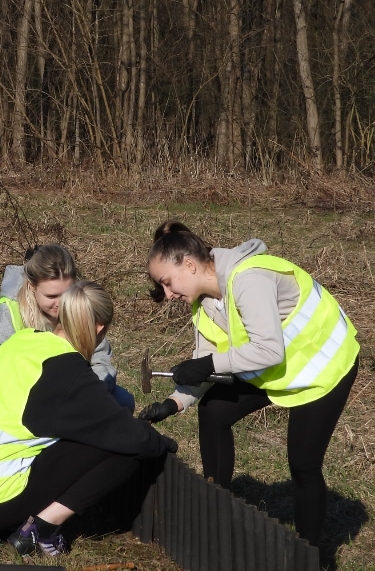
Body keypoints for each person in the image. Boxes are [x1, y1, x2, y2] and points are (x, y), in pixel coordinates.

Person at [141, 221, 360, 548]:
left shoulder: (249, 279)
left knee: (303, 464)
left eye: (168, 283)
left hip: (324, 368)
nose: (168, 294)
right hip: (280, 370)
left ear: (189, 264)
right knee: (214, 410)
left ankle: (310, 555)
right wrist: (172, 403)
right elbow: (207, 370)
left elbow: (267, 350)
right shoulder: (204, 308)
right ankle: (215, 510)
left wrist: (206, 364)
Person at [0, 280, 177, 557]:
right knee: (124, 447)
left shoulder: (22, 340)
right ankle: (42, 529)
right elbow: (129, 435)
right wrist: (165, 445)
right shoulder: (67, 370)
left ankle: (0, 525)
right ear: (100, 329)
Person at [0, 245, 134, 410]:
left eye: (66, 294)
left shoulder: (79, 306)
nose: (61, 303)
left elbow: (101, 361)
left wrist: (90, 392)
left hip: (70, 390)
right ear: (31, 287)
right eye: (51, 296)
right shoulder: (10, 312)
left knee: (123, 400)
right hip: (19, 395)